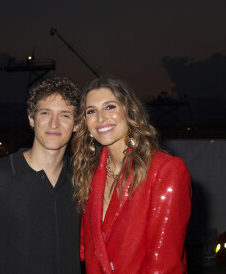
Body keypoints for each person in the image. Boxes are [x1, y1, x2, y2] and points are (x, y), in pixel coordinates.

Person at [0, 77, 81, 274]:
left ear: (77, 124)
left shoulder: (81, 178)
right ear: (31, 119)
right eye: (45, 113)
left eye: (65, 115)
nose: (54, 124)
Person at [72, 77, 191, 273]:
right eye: (91, 111)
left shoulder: (166, 171)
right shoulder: (89, 175)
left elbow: (164, 265)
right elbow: (82, 248)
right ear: (85, 123)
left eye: (110, 107)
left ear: (129, 112)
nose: (100, 118)